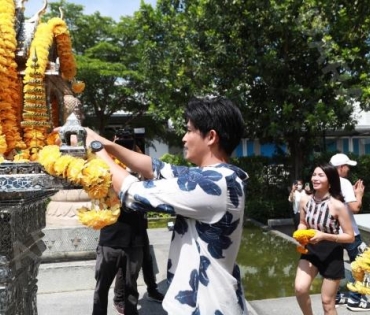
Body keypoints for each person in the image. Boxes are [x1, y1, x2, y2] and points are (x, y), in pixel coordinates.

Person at [84, 96, 249, 315]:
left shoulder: (214, 184)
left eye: (189, 130)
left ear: (211, 137)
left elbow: (133, 192)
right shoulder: (216, 176)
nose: (183, 138)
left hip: (207, 306)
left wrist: (96, 149)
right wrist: (107, 144)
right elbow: (156, 168)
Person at [294, 163, 354, 315]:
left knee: (327, 303)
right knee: (300, 289)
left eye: (321, 175)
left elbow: (350, 237)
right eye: (314, 174)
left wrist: (324, 236)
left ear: (330, 180)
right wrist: (301, 233)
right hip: (310, 250)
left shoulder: (338, 206)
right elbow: (302, 222)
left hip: (332, 252)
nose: (315, 178)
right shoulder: (304, 200)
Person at [329, 153, 369, 311]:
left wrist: (350, 194)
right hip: (349, 232)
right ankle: (355, 300)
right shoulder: (343, 182)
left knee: (334, 264)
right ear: (340, 167)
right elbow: (355, 208)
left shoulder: (326, 182)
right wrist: (358, 195)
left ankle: (336, 297)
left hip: (331, 233)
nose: (348, 170)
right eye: (347, 167)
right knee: (360, 264)